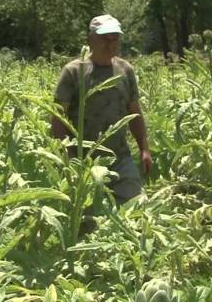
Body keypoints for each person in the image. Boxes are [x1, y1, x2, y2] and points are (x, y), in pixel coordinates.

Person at [51, 14, 152, 206]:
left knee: (137, 209)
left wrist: (144, 148)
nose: (110, 44)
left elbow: (134, 112)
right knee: (87, 221)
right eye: (105, 39)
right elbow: (57, 116)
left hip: (120, 158)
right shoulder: (74, 71)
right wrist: (65, 156)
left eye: (115, 39)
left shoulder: (125, 70)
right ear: (90, 39)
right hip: (82, 161)